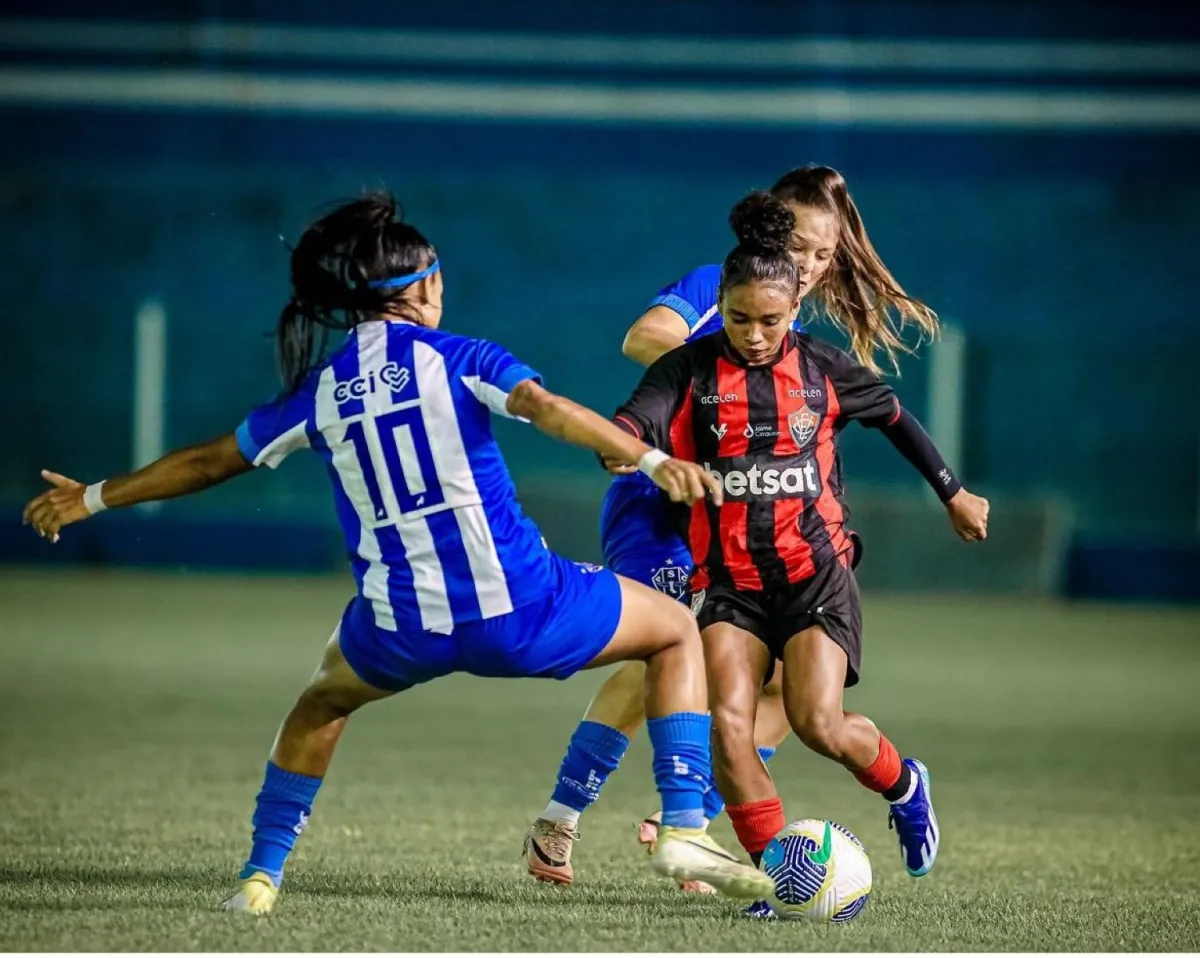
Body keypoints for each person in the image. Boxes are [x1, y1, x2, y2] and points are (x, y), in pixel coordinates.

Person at [21, 193, 776, 915]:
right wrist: (650, 462)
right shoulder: (461, 356)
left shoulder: (320, 392)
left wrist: (91, 498)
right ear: (421, 289)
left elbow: (212, 460)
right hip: (522, 606)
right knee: (675, 630)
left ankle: (260, 874)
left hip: (399, 624)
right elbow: (546, 410)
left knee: (320, 702)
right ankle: (683, 826)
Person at [524, 165, 948, 892]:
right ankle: (579, 820)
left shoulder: (792, 327)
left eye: (826, 253)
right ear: (768, 228)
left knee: (786, 685)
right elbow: (644, 337)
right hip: (667, 511)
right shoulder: (719, 292)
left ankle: (702, 817)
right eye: (802, 244)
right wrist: (719, 394)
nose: (813, 264)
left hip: (750, 526)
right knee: (662, 654)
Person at [607, 190, 989, 916]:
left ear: (793, 312)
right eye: (741, 318)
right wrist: (619, 449)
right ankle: (779, 876)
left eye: (771, 320)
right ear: (722, 303)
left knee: (817, 723)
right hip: (728, 584)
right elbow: (636, 420)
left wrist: (954, 493)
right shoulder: (686, 371)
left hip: (815, 577)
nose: (754, 335)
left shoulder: (822, 369)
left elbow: (897, 420)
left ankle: (905, 785)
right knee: (730, 727)